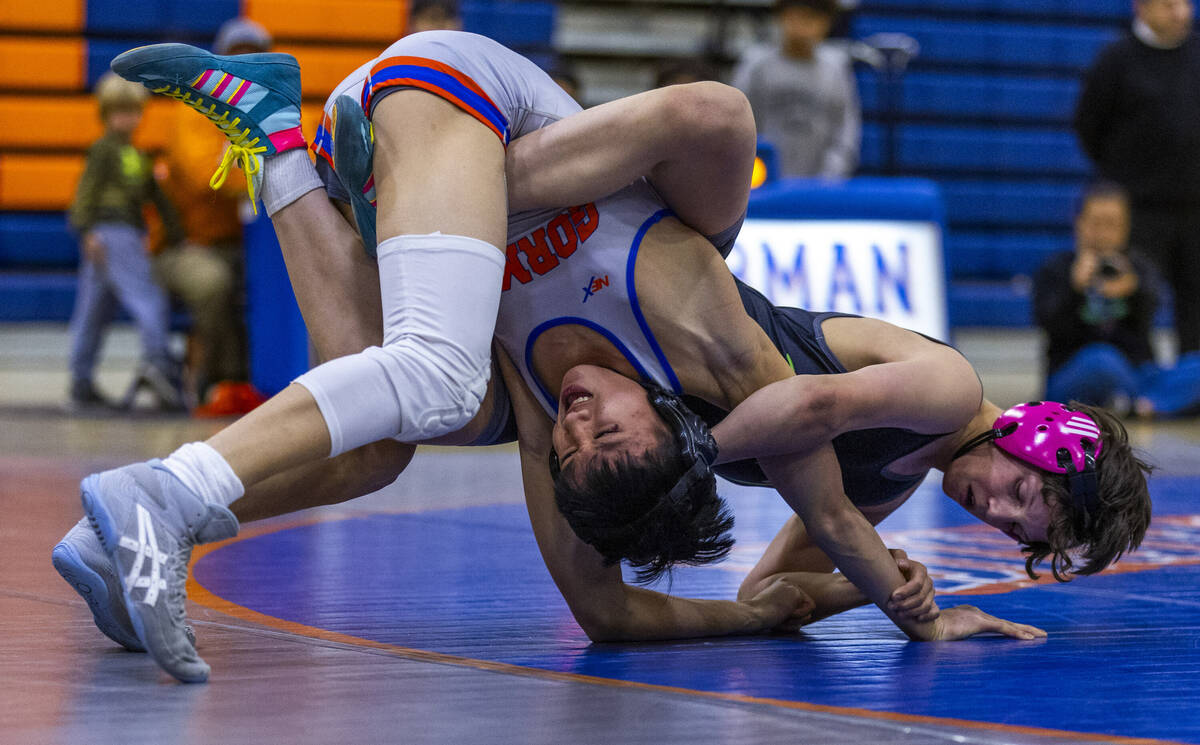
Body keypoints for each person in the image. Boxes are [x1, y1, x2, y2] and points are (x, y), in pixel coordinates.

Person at [61, 33, 1141, 684]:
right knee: (445, 370)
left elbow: (726, 595)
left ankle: (282, 154)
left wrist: (859, 588)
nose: (995, 511)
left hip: (464, 203)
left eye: (1012, 532)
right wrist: (904, 596)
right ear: (1041, 436)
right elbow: (800, 415)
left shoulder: (564, 414)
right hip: (502, 151)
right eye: (1020, 497)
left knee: (389, 431)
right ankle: (173, 487)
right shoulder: (928, 388)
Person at [155, 17, 273, 412]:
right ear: (220, 63)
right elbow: (208, 174)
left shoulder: (274, 110)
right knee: (212, 283)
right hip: (185, 244)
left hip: (252, 245)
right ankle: (222, 381)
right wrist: (266, 173)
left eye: (255, 58)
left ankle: (286, 381)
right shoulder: (193, 111)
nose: (246, 67)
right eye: (237, 58)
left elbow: (303, 155)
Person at [1074, 0, 1200, 357]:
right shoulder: (1116, 59)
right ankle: (1135, 381)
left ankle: (1190, 385)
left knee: (1196, 301)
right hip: (1137, 209)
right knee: (1135, 299)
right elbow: (1088, 126)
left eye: (1185, 3)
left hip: (1195, 205)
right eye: (1168, 4)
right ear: (1141, 8)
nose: (1180, 13)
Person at [66, 71, 185, 411]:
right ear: (105, 115)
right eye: (119, 112)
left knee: (96, 309)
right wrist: (86, 230)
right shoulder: (103, 151)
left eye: (132, 111)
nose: (127, 119)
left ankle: (82, 379)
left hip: (123, 234)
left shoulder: (136, 155)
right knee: (146, 299)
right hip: (113, 234)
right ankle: (157, 362)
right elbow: (85, 193)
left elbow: (156, 197)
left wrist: (176, 235)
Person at [730, 0, 860, 179]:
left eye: (811, 18)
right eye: (796, 16)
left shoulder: (836, 67)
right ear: (781, 17)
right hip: (762, 180)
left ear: (827, 22)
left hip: (819, 184)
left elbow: (846, 128)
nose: (802, 26)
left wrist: (830, 177)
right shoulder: (755, 64)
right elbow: (738, 122)